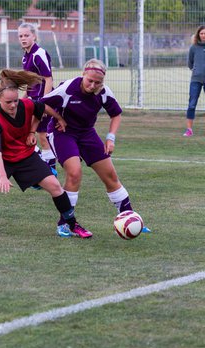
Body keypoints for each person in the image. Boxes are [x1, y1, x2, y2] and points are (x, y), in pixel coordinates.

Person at [0, 69, 86, 238]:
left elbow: (43, 108)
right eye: (8, 102)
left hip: (25, 155)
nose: (13, 105)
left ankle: (72, 224)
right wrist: (3, 177)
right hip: (1, 158)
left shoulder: (26, 104)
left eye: (15, 100)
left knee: (55, 186)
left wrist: (57, 119)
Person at [40, 58, 151, 238]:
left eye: (97, 82)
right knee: (74, 173)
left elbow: (116, 114)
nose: (92, 85)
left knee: (110, 175)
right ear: (83, 74)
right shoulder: (68, 88)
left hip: (87, 133)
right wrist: (59, 118)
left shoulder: (104, 92)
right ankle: (65, 223)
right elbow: (42, 104)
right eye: (89, 80)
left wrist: (110, 138)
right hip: (63, 133)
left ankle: (129, 217)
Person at [18, 22, 56, 168]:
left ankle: (51, 170)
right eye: (20, 36)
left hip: (42, 101)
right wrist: (21, 101)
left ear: (34, 36)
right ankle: (41, 160)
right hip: (32, 102)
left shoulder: (39, 54)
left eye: (26, 35)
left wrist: (44, 103)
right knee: (25, 132)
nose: (23, 38)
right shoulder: (25, 57)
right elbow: (30, 83)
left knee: (42, 136)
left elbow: (48, 79)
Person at [183, 25, 205, 137]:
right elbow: (190, 63)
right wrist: (196, 70)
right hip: (196, 79)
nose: (203, 35)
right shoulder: (194, 47)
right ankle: (189, 130)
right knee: (192, 104)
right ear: (198, 35)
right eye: (201, 33)